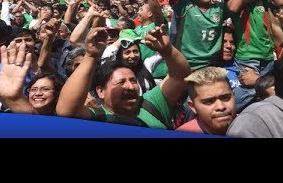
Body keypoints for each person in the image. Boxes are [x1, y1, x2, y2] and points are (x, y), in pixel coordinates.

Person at [56, 24, 191, 129]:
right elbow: (65, 110)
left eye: (133, 81)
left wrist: (167, 50)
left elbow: (180, 76)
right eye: (121, 82)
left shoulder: (151, 103)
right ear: (100, 91)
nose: (130, 86)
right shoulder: (97, 116)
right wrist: (90, 56)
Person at [175, 67, 236, 135]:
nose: (220, 107)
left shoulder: (248, 125)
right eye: (208, 102)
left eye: (225, 98)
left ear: (234, 96)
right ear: (193, 107)